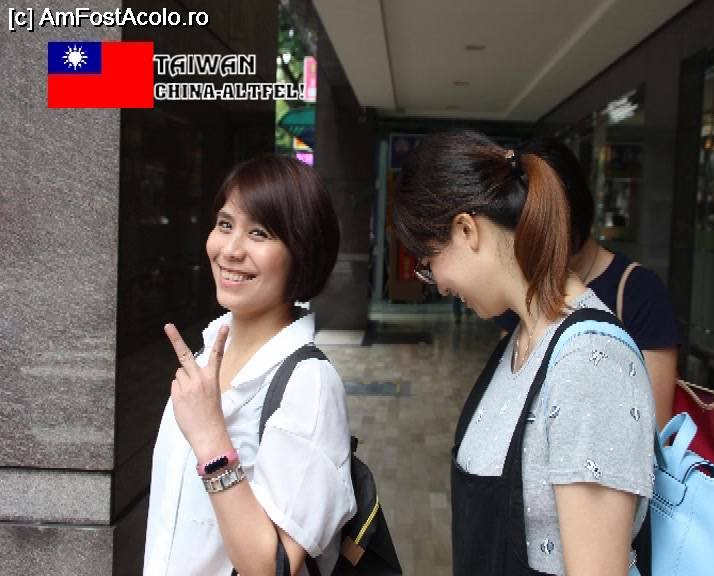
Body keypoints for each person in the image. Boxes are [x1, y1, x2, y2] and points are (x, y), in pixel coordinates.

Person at [394, 130, 654, 576]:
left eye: (428, 261)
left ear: (466, 230)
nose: (439, 285)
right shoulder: (520, 339)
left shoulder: (590, 363)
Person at [144, 156, 356, 576]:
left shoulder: (308, 384)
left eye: (259, 233)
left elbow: (271, 567)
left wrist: (211, 439)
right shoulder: (205, 358)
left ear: (301, 253)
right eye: (225, 225)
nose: (230, 250)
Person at [495, 138, 680, 428]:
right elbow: (509, 392)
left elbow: (654, 427)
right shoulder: (523, 285)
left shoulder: (639, 292)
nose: (540, 249)